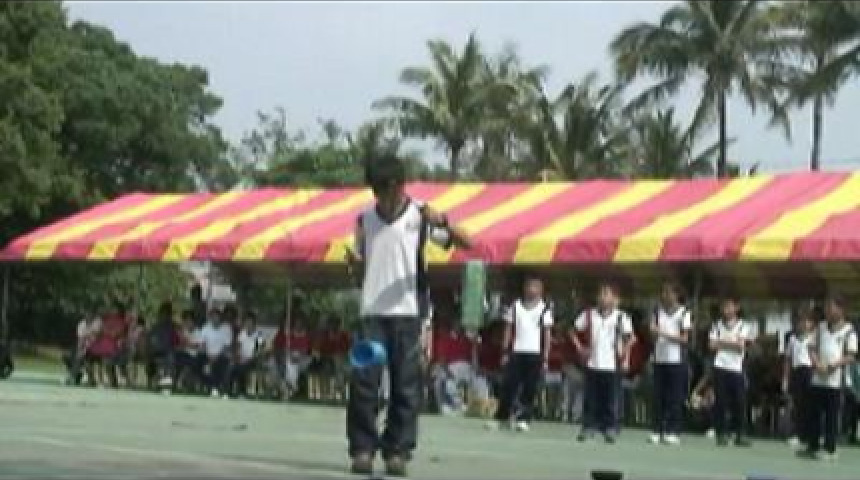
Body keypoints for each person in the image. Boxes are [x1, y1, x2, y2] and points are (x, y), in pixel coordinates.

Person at [344, 154, 470, 477]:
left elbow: (467, 242)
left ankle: (397, 451)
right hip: (372, 314)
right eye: (378, 193)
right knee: (364, 383)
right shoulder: (364, 221)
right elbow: (359, 269)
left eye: (388, 191)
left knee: (406, 386)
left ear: (401, 186)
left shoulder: (421, 217)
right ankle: (362, 449)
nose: (384, 199)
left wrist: (443, 221)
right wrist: (354, 264)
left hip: (408, 315)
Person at [488, 274, 553, 433]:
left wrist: (545, 358)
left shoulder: (544, 309)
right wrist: (505, 352)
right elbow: (508, 329)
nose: (532, 290)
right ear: (524, 288)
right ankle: (502, 417)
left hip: (535, 354)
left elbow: (547, 334)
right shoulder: (515, 306)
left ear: (541, 290)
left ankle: (524, 419)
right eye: (529, 286)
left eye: (535, 287)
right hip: (516, 352)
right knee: (509, 386)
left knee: (530, 389)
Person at [798, 294, 857, 461]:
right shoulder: (821, 327)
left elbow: (851, 356)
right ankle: (813, 446)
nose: (827, 311)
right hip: (818, 379)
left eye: (831, 307)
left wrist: (832, 366)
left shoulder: (849, 331)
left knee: (832, 417)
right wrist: (816, 363)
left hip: (835, 382)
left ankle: (830, 449)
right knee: (814, 415)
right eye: (826, 307)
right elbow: (811, 347)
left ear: (841, 309)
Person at [573, 282, 634, 444]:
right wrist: (580, 347)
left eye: (606, 294)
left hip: (612, 364)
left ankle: (610, 428)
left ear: (615, 298)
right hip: (593, 362)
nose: (602, 297)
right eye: (601, 293)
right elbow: (572, 330)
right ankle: (589, 427)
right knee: (591, 398)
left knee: (611, 399)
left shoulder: (621, 317)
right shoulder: (588, 314)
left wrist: (626, 358)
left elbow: (630, 339)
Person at [648, 281, 692, 446]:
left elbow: (684, 339)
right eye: (663, 292)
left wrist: (662, 333)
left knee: (674, 397)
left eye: (669, 292)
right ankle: (656, 430)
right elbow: (653, 334)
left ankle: (673, 430)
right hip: (659, 359)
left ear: (676, 295)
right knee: (658, 396)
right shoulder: (657, 312)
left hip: (676, 361)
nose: (665, 295)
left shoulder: (684, 313)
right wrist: (654, 333)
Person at [709, 296, 752, 447]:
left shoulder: (743, 326)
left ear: (736, 308)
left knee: (739, 402)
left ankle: (740, 433)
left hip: (736, 368)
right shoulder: (716, 325)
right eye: (723, 306)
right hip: (720, 366)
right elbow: (712, 346)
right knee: (720, 401)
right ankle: (721, 433)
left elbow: (741, 346)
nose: (725, 309)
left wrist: (721, 342)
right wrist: (732, 342)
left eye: (729, 306)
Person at [781, 305, 815, 450]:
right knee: (797, 405)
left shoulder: (815, 338)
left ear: (812, 323)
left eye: (807, 321)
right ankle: (798, 434)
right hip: (797, 372)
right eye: (801, 321)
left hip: (810, 372)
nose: (804, 324)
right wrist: (785, 378)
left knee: (810, 406)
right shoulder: (792, 339)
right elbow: (788, 360)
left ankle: (809, 434)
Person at [431, 316, 474, 416]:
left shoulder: (468, 341)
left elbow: (471, 360)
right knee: (440, 380)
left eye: (462, 326)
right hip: (450, 367)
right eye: (458, 325)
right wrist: (448, 372)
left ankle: (465, 405)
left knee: (477, 380)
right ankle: (444, 406)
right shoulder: (444, 340)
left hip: (466, 369)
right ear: (453, 326)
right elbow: (442, 360)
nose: (460, 327)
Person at [198, 307, 233, 398]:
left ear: (220, 317)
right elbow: (202, 344)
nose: (215, 319)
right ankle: (212, 388)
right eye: (212, 317)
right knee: (200, 362)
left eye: (216, 317)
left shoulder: (226, 328)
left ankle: (223, 390)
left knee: (225, 363)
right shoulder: (206, 327)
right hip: (208, 355)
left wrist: (216, 356)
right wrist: (208, 355)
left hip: (222, 355)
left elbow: (227, 346)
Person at [230, 311, 264, 398]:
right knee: (231, 367)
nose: (248, 324)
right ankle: (229, 391)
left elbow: (258, 351)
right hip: (241, 359)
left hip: (253, 360)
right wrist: (238, 357)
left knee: (242, 368)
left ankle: (242, 392)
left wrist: (248, 359)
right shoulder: (242, 334)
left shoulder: (259, 334)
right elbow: (238, 347)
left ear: (254, 323)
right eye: (247, 322)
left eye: (250, 322)